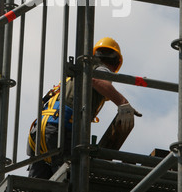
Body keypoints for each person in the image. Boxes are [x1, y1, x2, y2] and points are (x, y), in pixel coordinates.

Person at [27, 37, 142, 179]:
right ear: (117, 63)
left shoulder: (74, 76)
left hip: (40, 132)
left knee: (40, 187)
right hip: (60, 131)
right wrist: (123, 103)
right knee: (70, 183)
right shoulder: (98, 68)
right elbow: (96, 79)